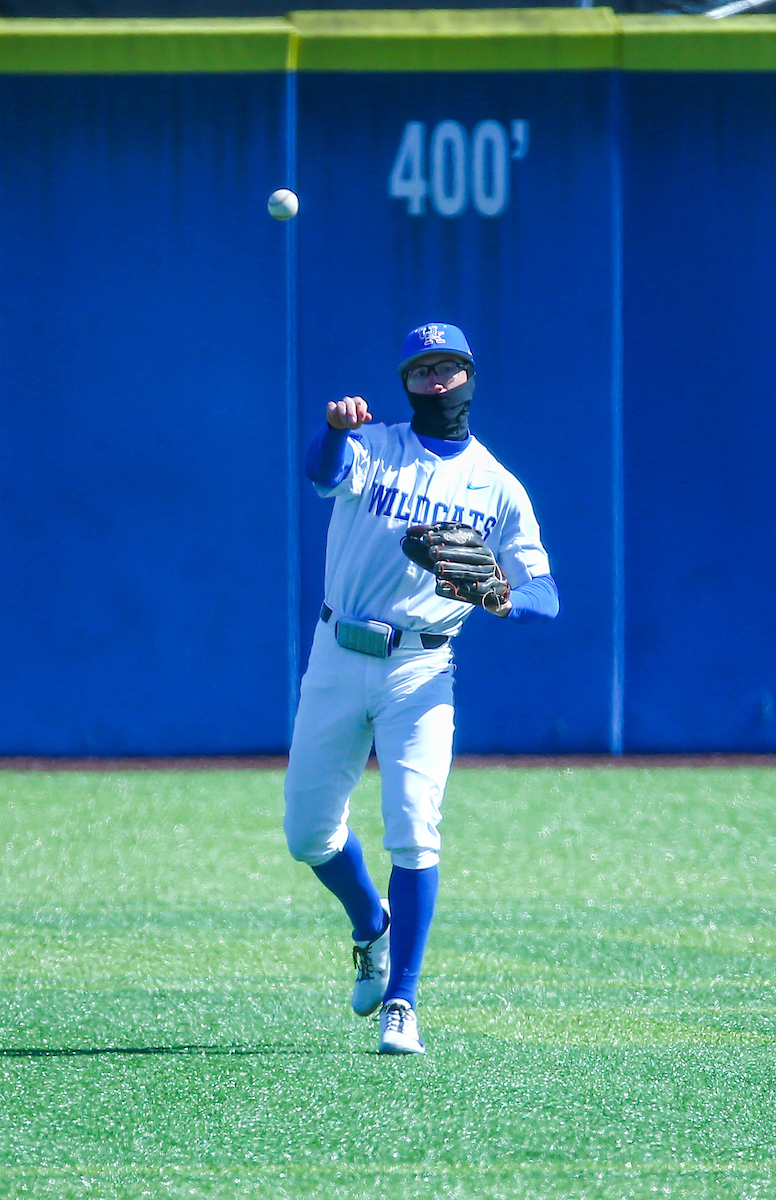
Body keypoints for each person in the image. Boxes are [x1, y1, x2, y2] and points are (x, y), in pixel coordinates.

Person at [284, 322, 559, 1055]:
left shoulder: (498, 485)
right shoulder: (374, 447)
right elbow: (320, 472)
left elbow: (545, 594)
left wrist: (501, 597)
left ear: (469, 376)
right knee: (308, 834)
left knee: (413, 824)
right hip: (339, 652)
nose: (436, 381)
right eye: (421, 371)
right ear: (405, 383)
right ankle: (370, 925)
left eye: (448, 368)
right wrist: (334, 430)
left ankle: (402, 1000)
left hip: (422, 668)